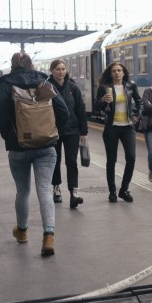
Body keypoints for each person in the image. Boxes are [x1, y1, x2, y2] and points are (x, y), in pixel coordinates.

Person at [0, 52, 69, 256]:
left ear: (12, 66)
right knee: (44, 190)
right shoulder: (44, 81)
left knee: (23, 191)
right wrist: (52, 132)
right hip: (46, 146)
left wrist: (8, 135)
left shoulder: (7, 84)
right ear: (31, 65)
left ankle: (23, 232)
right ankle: (48, 236)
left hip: (18, 148)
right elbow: (63, 111)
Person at [95, 62, 142, 203]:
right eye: (114, 71)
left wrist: (137, 115)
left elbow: (139, 102)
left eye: (119, 70)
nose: (117, 73)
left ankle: (124, 189)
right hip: (112, 128)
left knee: (131, 158)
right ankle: (112, 192)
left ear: (123, 72)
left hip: (128, 128)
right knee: (111, 161)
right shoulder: (104, 87)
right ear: (110, 73)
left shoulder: (130, 86)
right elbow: (97, 106)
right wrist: (103, 100)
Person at [48, 59, 88, 208]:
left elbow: (80, 110)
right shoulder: (47, 87)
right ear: (52, 71)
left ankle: (73, 192)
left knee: (71, 161)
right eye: (58, 69)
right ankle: (56, 188)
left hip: (72, 130)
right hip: (53, 131)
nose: (61, 71)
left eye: (63, 69)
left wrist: (84, 131)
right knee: (55, 161)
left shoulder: (73, 87)